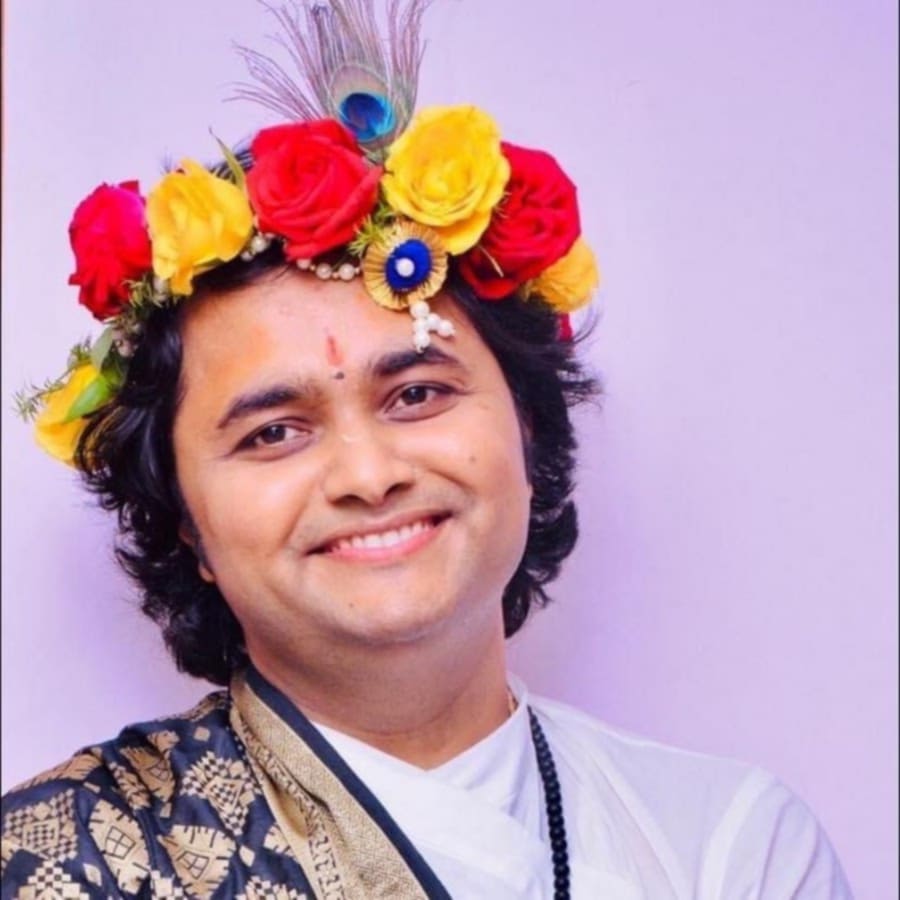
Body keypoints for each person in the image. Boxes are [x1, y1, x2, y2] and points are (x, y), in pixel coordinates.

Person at [2, 2, 853, 897]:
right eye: (273, 432)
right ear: (186, 521)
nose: (370, 476)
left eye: (417, 394)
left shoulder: (726, 846)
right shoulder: (67, 861)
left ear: (526, 426)